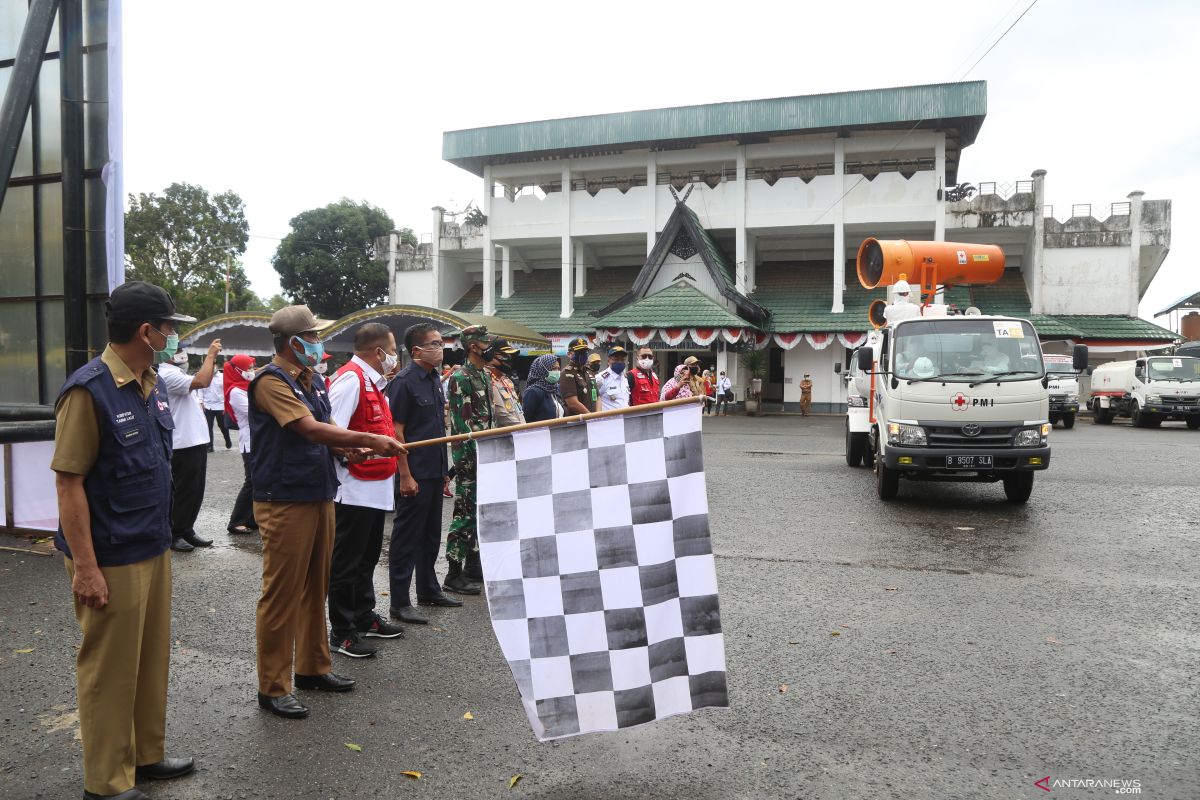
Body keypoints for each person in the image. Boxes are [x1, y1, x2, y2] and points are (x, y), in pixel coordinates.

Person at [51, 280, 197, 800]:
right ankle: (108, 782)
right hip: (109, 553)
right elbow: (68, 483)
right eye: (169, 328)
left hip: (150, 543)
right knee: (110, 670)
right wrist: (86, 567)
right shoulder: (89, 390)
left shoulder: (150, 383)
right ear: (145, 331)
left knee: (150, 658)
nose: (172, 336)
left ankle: (145, 754)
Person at [250, 305, 404, 720]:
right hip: (285, 499)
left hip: (318, 492)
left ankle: (313, 668)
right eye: (313, 337)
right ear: (292, 342)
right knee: (281, 595)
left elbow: (325, 431)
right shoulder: (271, 381)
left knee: (314, 588)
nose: (318, 343)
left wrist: (345, 447)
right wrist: (367, 439)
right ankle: (273, 685)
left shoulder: (312, 380)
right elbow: (307, 428)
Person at [326, 323, 407, 659]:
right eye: (392, 350)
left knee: (368, 557)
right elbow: (330, 431)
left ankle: (362, 615)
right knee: (347, 560)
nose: (394, 358)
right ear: (378, 352)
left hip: (375, 485)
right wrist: (348, 451)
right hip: (354, 487)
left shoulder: (375, 383)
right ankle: (342, 631)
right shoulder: (350, 380)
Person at [387, 323, 462, 625]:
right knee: (406, 538)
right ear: (416, 350)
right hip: (413, 472)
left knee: (431, 535)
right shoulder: (404, 382)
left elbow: (435, 428)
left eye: (441, 343)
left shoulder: (433, 379)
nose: (440, 348)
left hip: (432, 470)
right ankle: (399, 602)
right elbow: (397, 431)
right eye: (434, 344)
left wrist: (443, 471)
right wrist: (405, 474)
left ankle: (428, 589)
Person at [157, 339, 222, 552]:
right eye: (178, 350)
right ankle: (174, 532)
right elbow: (202, 382)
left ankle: (187, 529)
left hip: (194, 439)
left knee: (195, 489)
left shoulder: (176, 372)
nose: (182, 354)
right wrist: (211, 355)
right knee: (183, 489)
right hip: (181, 441)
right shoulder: (166, 373)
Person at [444, 325, 495, 593]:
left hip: (486, 453)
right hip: (470, 456)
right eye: (486, 343)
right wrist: (475, 454)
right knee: (464, 511)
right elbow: (462, 424)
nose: (490, 347)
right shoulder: (460, 377)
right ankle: (453, 573)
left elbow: (489, 419)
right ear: (474, 346)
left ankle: (473, 567)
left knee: (477, 511)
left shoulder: (483, 376)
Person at [224, 354, 258, 535]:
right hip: (250, 441)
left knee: (259, 481)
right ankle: (236, 521)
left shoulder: (250, 387)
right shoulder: (236, 391)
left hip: (260, 440)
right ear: (237, 370)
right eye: (249, 368)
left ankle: (252, 519)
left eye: (253, 367)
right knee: (251, 481)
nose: (251, 371)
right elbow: (256, 412)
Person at [486, 337, 525, 427]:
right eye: (505, 355)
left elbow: (519, 411)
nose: (509, 358)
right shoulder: (487, 380)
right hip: (503, 436)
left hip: (518, 434)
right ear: (491, 356)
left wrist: (525, 427)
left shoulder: (507, 381)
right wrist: (523, 429)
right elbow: (501, 415)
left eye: (510, 355)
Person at [522, 354, 564, 422]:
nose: (557, 371)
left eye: (558, 368)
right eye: (553, 368)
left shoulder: (556, 388)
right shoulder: (533, 391)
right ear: (543, 369)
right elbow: (526, 419)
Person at [560, 336, 597, 414]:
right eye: (578, 352)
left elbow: (597, 397)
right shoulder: (567, 373)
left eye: (585, 352)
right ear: (569, 354)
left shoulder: (589, 372)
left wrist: (598, 415)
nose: (582, 354)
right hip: (578, 422)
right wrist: (591, 417)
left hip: (593, 420)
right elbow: (572, 403)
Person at [200, 364, 231, 451]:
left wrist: (227, 403)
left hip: (220, 405)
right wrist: (201, 401)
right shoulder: (203, 376)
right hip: (207, 405)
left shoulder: (223, 377)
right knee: (208, 426)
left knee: (222, 425)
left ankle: (227, 440)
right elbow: (200, 389)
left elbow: (227, 389)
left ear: (216, 366)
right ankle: (210, 445)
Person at [595, 344, 631, 411]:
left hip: (626, 419)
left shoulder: (625, 378)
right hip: (609, 420)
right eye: (616, 359)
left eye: (622, 359)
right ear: (608, 361)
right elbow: (594, 401)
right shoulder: (601, 378)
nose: (619, 362)